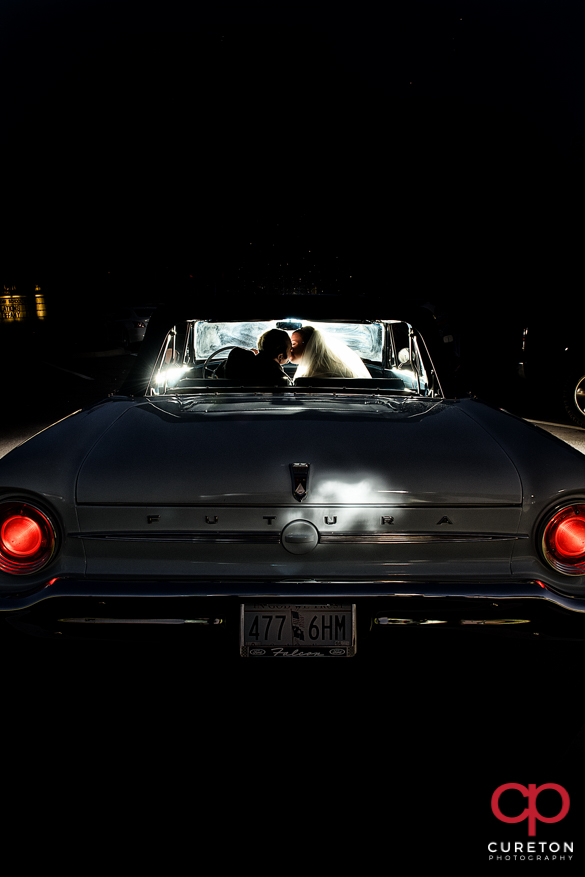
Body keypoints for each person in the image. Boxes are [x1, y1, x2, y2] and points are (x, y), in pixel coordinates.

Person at [289, 324, 371, 379]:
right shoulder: (332, 367)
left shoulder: (312, 374)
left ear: (309, 345)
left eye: (293, 344)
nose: (290, 349)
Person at [223, 327, 292, 384]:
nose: (292, 352)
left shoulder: (238, 360)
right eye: (290, 349)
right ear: (280, 356)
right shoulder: (281, 379)